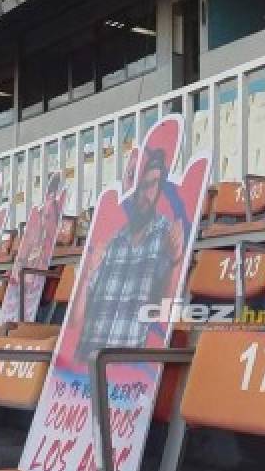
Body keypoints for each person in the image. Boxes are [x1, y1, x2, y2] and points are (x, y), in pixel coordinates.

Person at [73, 148, 184, 365]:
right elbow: (75, 324)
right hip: (81, 367)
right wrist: (85, 277)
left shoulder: (167, 237)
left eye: (150, 184)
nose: (141, 193)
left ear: (160, 187)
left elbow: (165, 314)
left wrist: (176, 262)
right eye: (133, 180)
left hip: (127, 371)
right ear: (125, 183)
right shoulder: (107, 239)